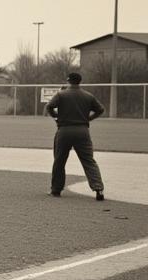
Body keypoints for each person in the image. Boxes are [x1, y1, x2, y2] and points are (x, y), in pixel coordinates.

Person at [44, 71, 106, 200]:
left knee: (59, 161)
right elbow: (100, 109)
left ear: (68, 80)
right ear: (80, 81)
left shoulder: (61, 94)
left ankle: (56, 190)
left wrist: (56, 116)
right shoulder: (88, 96)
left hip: (64, 130)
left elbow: (49, 106)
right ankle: (98, 189)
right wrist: (89, 118)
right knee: (89, 161)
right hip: (82, 131)